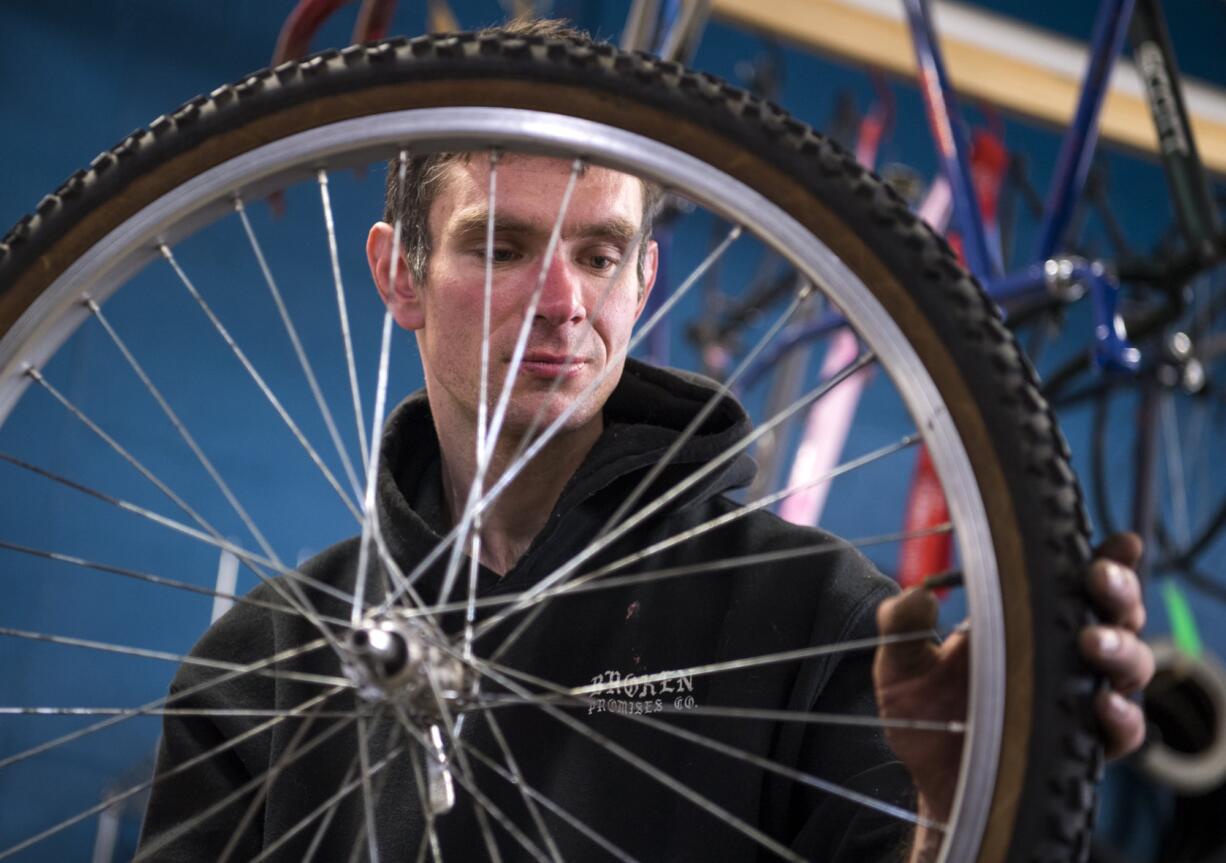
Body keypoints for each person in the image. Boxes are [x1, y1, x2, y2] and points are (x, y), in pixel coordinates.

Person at [139, 22, 1153, 863]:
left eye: (599, 252)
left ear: (645, 283)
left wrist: (959, 807)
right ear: (397, 272)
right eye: (500, 244)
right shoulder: (256, 665)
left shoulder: (812, 610)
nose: (559, 301)